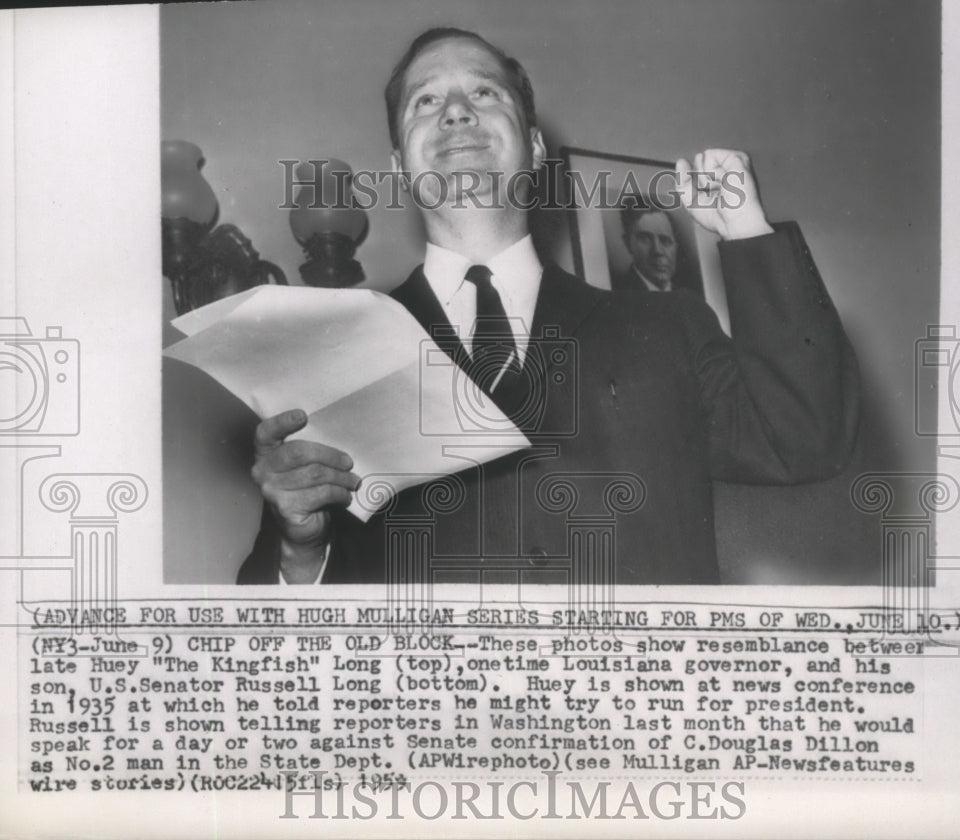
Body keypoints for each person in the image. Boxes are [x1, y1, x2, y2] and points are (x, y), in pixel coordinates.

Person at [238, 27, 860, 586]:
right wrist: (300, 549)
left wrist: (748, 232)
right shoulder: (334, 355)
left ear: (535, 148)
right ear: (400, 167)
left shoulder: (668, 324)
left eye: (485, 94)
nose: (456, 112)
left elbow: (804, 441)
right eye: (426, 101)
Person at [613, 204, 679, 292]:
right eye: (645, 239)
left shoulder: (688, 297)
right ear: (628, 243)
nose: (657, 250)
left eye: (665, 240)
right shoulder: (617, 292)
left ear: (675, 245)